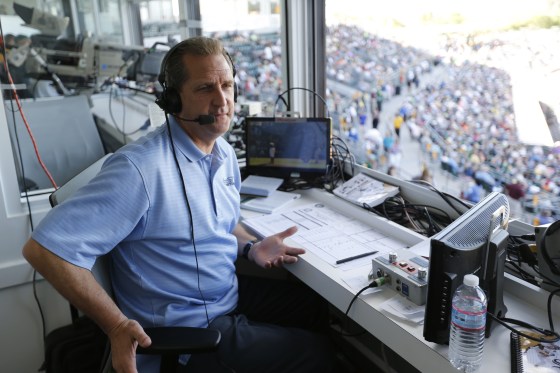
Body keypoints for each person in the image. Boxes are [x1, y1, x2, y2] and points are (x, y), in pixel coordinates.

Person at [22, 37, 334, 373]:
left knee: (317, 309)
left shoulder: (222, 152)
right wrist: (115, 326)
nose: (222, 101)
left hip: (226, 294)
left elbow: (226, 225)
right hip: (189, 330)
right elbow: (44, 251)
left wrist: (252, 248)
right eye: (205, 88)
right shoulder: (139, 169)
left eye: (227, 85)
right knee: (320, 354)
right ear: (172, 100)